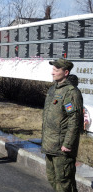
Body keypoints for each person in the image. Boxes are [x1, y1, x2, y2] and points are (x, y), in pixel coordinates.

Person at [41, 58, 84, 192]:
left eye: (56, 70)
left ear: (66, 72)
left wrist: (68, 144)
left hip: (62, 148)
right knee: (53, 179)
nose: (52, 73)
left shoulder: (71, 92)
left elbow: (75, 120)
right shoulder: (53, 89)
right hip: (50, 144)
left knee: (65, 183)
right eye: (53, 69)